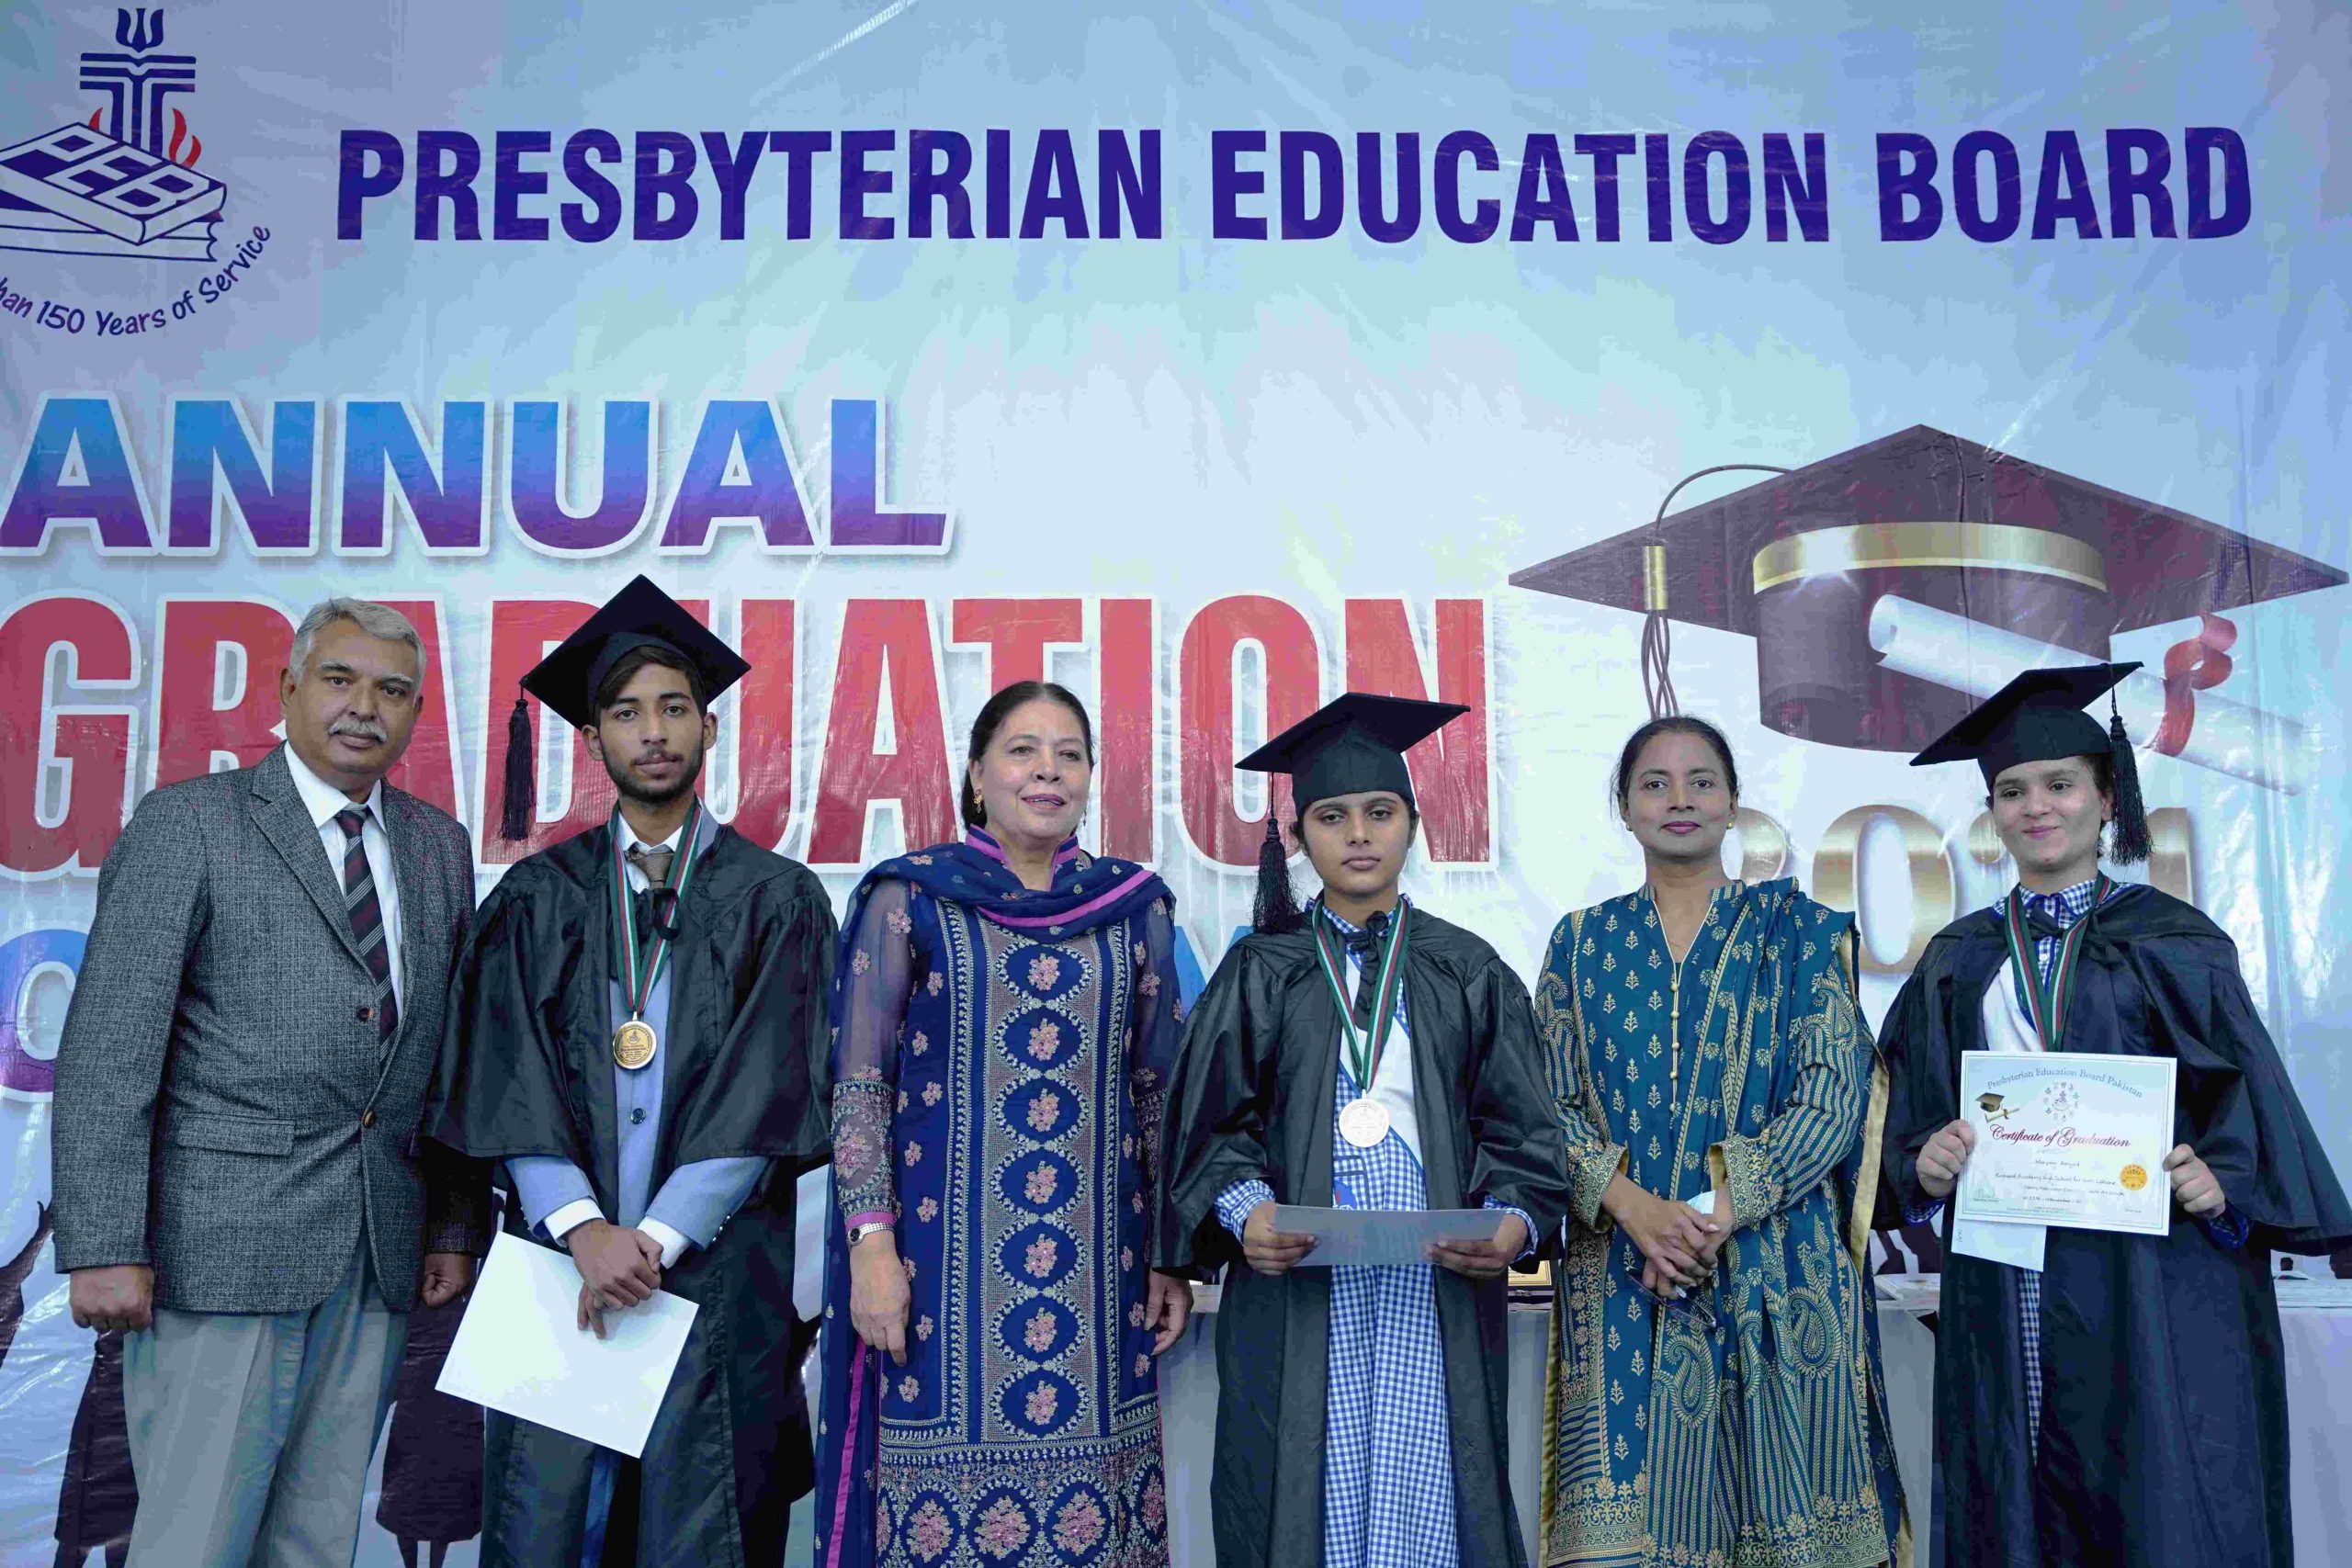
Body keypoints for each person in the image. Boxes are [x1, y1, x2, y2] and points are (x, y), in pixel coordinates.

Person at [1882, 662, 2352, 1567]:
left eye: (2060, 785)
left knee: (2159, 1493)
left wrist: (2220, 1178)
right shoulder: (1958, 957)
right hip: (2010, 1269)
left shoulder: (2175, 941)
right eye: (2012, 791)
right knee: (2018, 1486)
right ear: (1992, 813)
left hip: (2153, 1272)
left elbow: (2248, 1104)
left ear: (2106, 800)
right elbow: (1900, 1121)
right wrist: (1922, 1165)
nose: (2036, 806)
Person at [51, 596, 488, 1567]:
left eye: (392, 690)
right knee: (195, 1540)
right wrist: (105, 1243)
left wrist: (454, 1223)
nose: (363, 706)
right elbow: (110, 1049)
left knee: (316, 1542)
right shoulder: (188, 825)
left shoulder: (437, 846)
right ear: (288, 689)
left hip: (376, 1246)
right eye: (339, 679)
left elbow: (451, 1054)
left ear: (417, 714)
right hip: (220, 1249)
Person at [429, 576, 836, 1567]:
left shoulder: (777, 899)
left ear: (708, 727)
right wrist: (582, 1228)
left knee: (702, 1522)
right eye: (625, 712)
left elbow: (772, 1082)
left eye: (673, 708)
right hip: (559, 1265)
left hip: (713, 1266)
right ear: (592, 738)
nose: (652, 731)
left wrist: (649, 1240)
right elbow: (507, 1072)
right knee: (550, 1520)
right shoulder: (536, 898)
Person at [1158, 693, 1571, 1568]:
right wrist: (1244, 1212)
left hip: (1434, 1276)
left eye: (1380, 812)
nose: (1358, 834)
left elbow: (1525, 1130)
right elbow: (1209, 1125)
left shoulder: (1467, 968)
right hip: (1298, 1275)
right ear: (1298, 836)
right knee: (1301, 1483)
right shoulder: (1260, 970)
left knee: (1430, 1484)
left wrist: (1511, 1222)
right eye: (1331, 816)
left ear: (1413, 825)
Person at [814, 680, 1186, 1568]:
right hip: (936, 1285)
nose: (1047, 770)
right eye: (1023, 750)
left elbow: (1159, 1093)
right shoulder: (910, 898)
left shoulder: (1135, 907)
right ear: (978, 775)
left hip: (1101, 1287)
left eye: (1069, 754)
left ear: (1091, 777)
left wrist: (1173, 1251)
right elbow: (860, 1085)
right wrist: (871, 1248)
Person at [1532, 716, 1905, 1568]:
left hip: (1776, 1266)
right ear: (1625, 806)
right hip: (1621, 1279)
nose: (1680, 799)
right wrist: (1634, 1209)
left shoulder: (1800, 933)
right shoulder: (1579, 943)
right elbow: (1548, 1104)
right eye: (1654, 783)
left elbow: (1831, 1097)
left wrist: (1708, 1215)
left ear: (1734, 803)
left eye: (1702, 781)